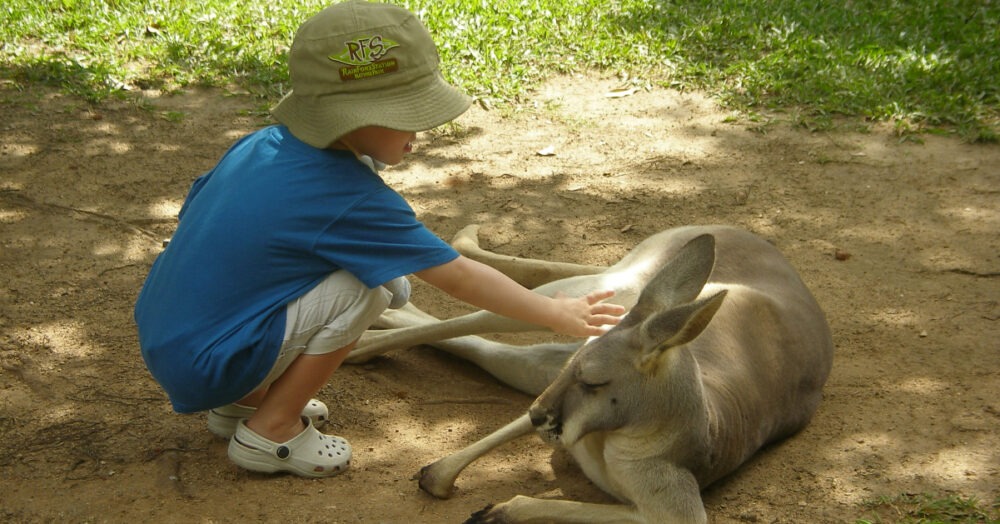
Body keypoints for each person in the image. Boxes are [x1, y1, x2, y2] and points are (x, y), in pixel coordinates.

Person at [134, 0, 624, 479]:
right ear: (351, 118)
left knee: (377, 280)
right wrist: (554, 313)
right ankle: (271, 428)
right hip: (211, 362)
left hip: (174, 338)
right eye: (407, 113)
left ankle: (243, 402)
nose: (420, 130)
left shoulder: (261, 145)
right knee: (367, 288)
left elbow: (199, 216)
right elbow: (458, 276)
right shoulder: (350, 199)